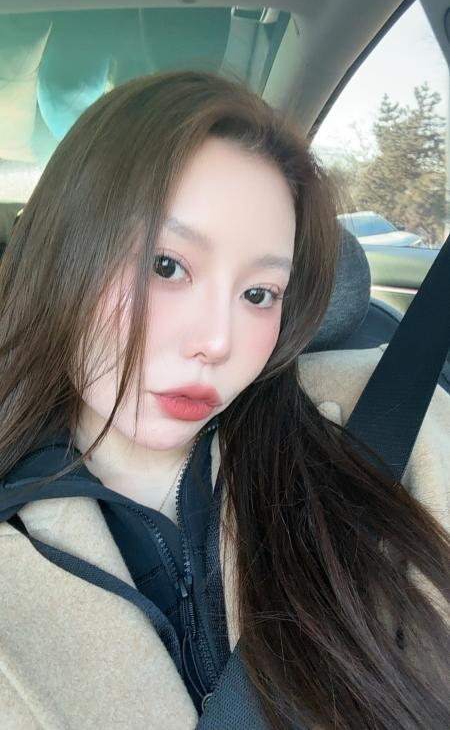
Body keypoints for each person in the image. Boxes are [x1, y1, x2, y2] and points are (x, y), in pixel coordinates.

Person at [0, 70, 448, 730]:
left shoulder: (397, 427)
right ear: (63, 255)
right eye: (165, 265)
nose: (218, 341)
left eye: (259, 294)